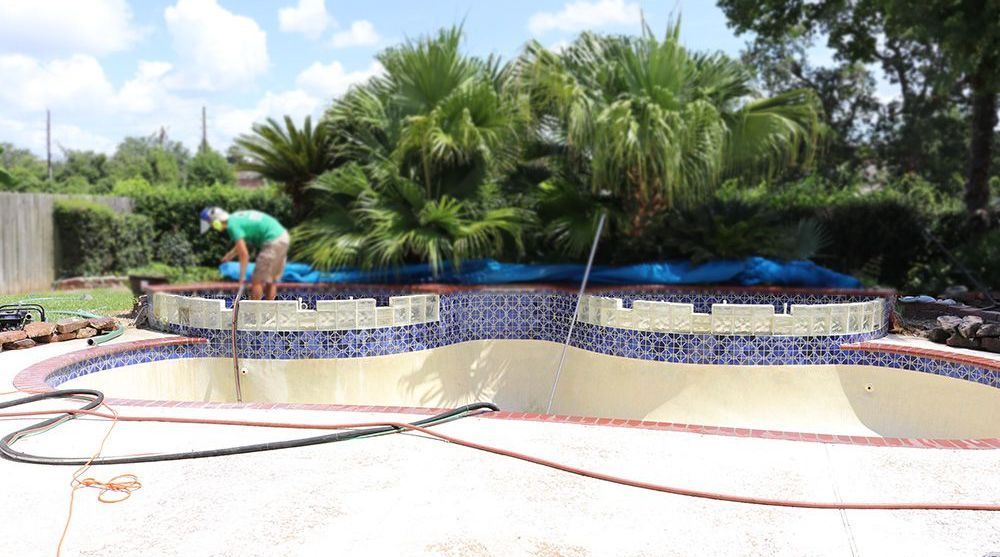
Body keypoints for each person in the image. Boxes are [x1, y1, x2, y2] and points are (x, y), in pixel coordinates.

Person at [200, 207, 290, 300]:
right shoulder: (234, 219)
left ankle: (253, 313)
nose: (214, 227)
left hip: (273, 240)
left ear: (216, 222)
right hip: (282, 236)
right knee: (270, 281)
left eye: (212, 224)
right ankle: (271, 313)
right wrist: (230, 255)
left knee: (257, 280)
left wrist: (241, 278)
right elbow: (242, 244)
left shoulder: (232, 226)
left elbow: (244, 254)